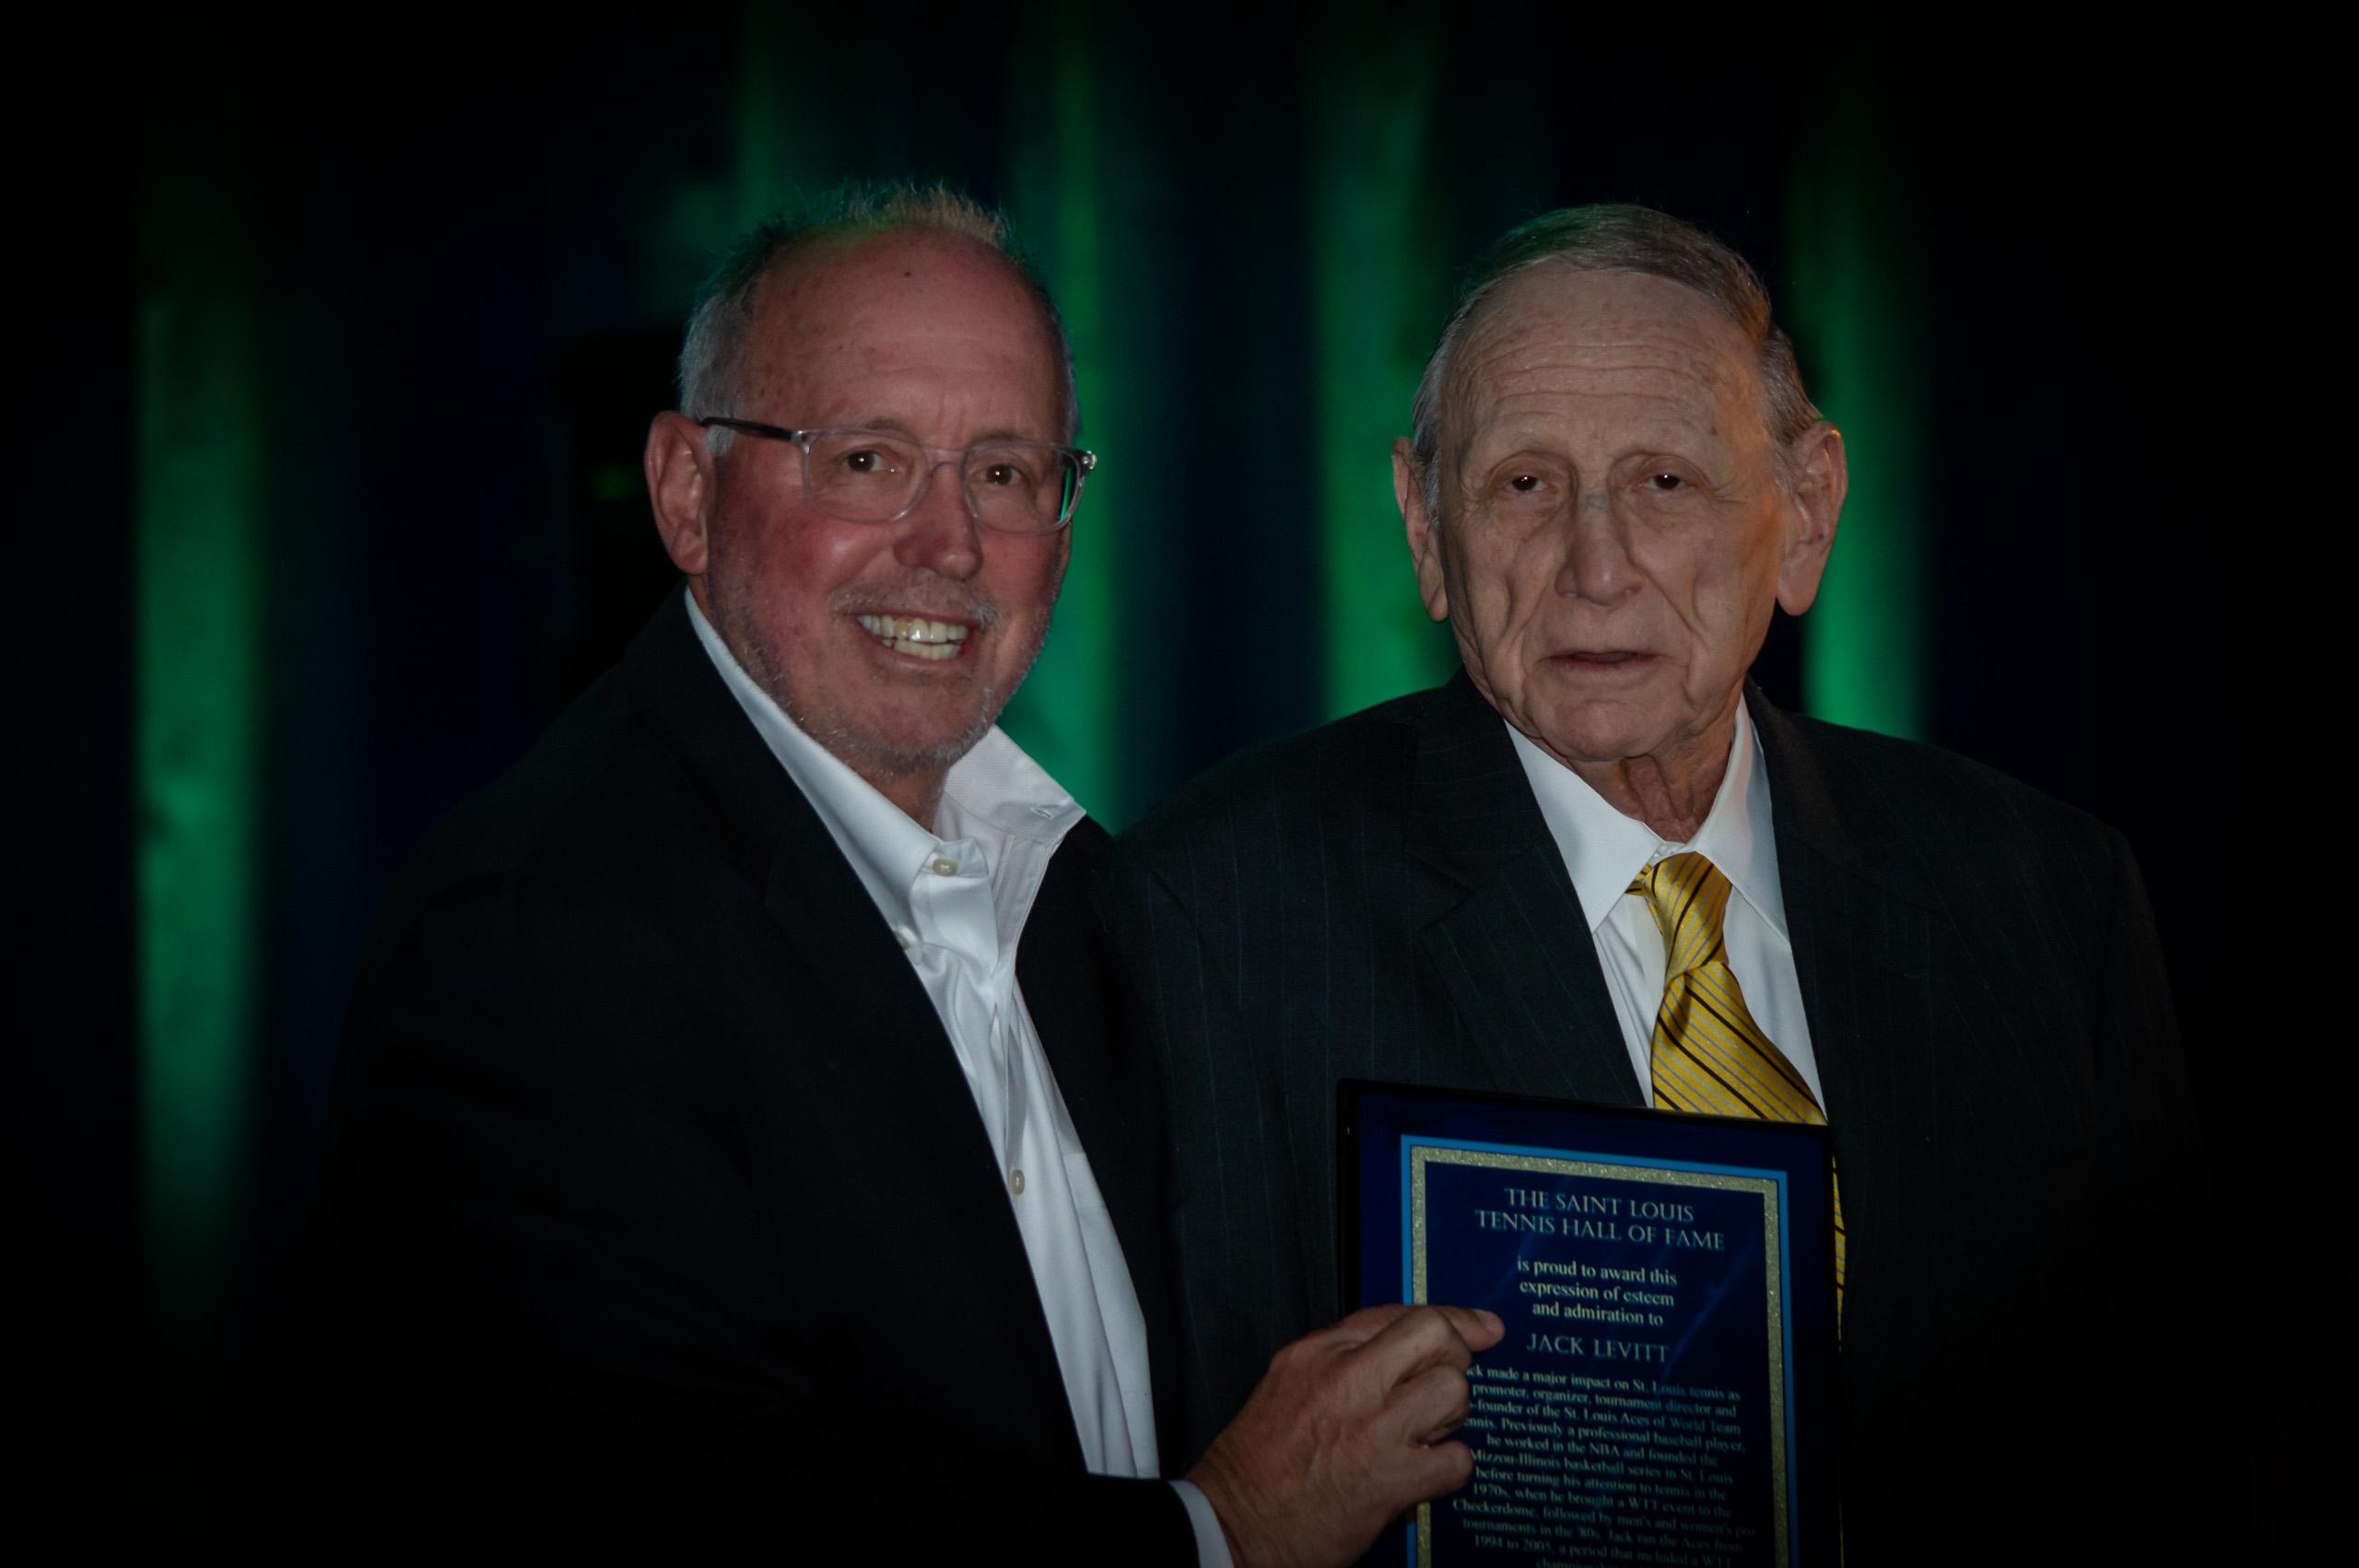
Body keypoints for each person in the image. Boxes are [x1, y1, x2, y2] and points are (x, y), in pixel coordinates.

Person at [295, 185, 1498, 1565]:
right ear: (687, 492)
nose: (948, 545)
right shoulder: (533, 941)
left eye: (1004, 470)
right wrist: (1220, 1531)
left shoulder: (1084, 893)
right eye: (865, 460)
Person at [1098, 205, 2222, 1562]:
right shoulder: (1215, 907)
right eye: (1524, 483)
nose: (1595, 564)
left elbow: (2164, 1446)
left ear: (1805, 515)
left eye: (1663, 483)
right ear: (1420, 522)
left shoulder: (2047, 898)